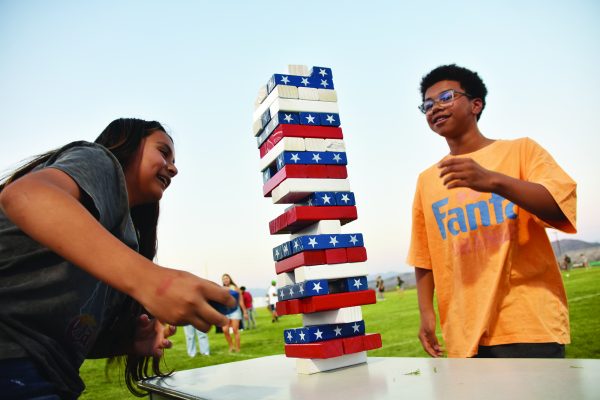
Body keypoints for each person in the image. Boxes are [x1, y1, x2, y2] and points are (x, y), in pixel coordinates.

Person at [0, 118, 235, 399]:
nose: (173, 168)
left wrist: (126, 342)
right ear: (127, 142)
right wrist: (151, 280)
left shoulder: (123, 239)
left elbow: (62, 329)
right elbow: (25, 195)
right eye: (163, 152)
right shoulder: (99, 159)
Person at [407, 65, 577, 359]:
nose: (435, 108)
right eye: (428, 104)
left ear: (476, 105)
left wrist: (493, 181)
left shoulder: (521, 151)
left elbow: (560, 210)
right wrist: (426, 314)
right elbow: (424, 255)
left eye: (446, 96)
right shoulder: (427, 180)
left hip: (527, 323)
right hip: (463, 331)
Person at [221, 273, 247, 352]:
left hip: (235, 311)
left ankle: (238, 348)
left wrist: (245, 312)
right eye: (224, 279)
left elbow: (241, 301)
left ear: (230, 279)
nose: (225, 280)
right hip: (226, 312)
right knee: (225, 329)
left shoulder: (235, 288)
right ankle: (231, 346)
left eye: (227, 278)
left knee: (235, 329)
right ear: (222, 281)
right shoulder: (221, 289)